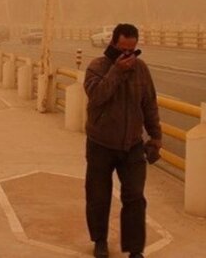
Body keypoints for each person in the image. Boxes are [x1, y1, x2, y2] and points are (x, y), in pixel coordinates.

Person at [84, 23, 162, 258]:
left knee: (135, 198)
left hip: (132, 145)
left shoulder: (141, 70)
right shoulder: (96, 67)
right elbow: (96, 98)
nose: (128, 55)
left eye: (133, 50)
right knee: (98, 196)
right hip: (101, 144)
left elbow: (149, 104)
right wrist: (116, 72)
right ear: (113, 44)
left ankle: (135, 249)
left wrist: (156, 137)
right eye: (123, 50)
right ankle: (100, 240)